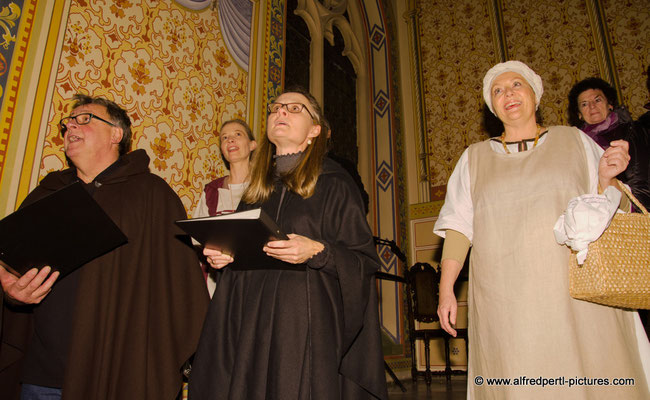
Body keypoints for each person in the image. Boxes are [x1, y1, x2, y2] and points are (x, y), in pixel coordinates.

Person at [434, 61, 649, 399]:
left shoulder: (574, 141)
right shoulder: (473, 158)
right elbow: (459, 227)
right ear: (492, 106)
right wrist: (446, 290)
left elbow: (611, 208)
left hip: (571, 290)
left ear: (534, 93)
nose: (509, 94)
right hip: (504, 297)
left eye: (517, 85)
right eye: (498, 91)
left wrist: (609, 176)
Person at [0, 94, 209, 399]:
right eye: (68, 122)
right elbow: (9, 257)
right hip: (40, 375)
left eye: (84, 118)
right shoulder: (48, 192)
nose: (71, 124)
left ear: (116, 134)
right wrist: (8, 285)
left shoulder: (151, 196)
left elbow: (180, 290)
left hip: (114, 376)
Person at [188, 87, 388, 399]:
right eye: (276, 107)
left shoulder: (335, 183)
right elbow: (243, 254)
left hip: (304, 325)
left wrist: (317, 251)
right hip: (253, 323)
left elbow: (363, 260)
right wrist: (226, 256)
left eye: (295, 109)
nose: (280, 112)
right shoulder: (257, 190)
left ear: (314, 130)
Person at [192, 119, 256, 296]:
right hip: (218, 284)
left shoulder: (266, 188)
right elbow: (196, 237)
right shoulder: (211, 191)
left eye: (238, 134)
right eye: (224, 138)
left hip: (255, 283)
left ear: (252, 145)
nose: (230, 140)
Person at [568, 77, 650, 210]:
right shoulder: (575, 144)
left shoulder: (631, 131)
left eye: (597, 100)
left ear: (610, 104)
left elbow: (641, 179)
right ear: (579, 114)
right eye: (584, 104)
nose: (592, 106)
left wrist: (637, 213)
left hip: (630, 211)